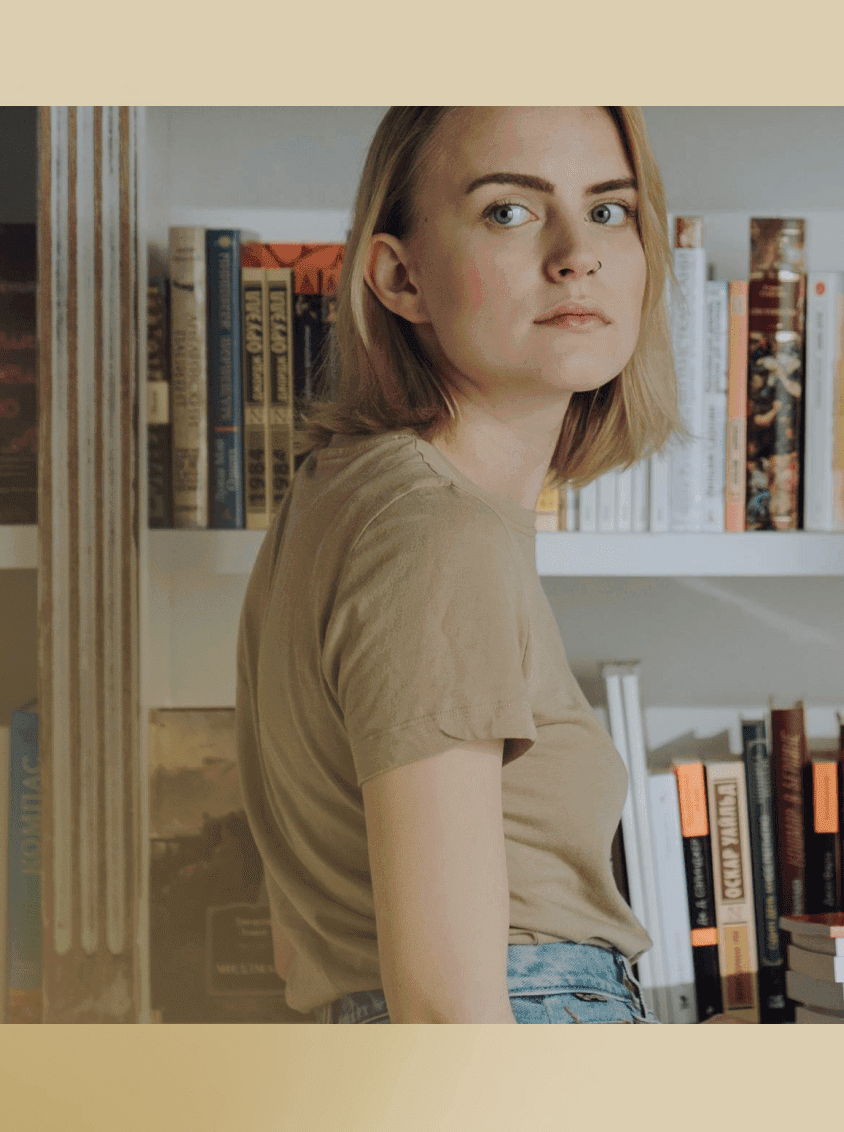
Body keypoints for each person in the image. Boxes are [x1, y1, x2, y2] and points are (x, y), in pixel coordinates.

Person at [235, 106, 734, 1024]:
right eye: (510, 211)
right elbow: (446, 1010)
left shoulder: (346, 495)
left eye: (611, 210)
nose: (575, 253)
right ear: (398, 275)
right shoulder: (435, 534)